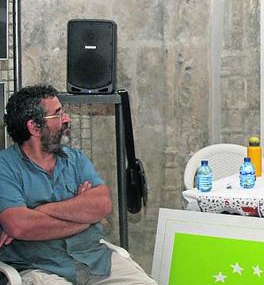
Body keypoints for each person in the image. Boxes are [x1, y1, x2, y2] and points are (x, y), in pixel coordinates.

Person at [0, 84, 156, 285]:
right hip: (39, 266)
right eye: (57, 114)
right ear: (34, 127)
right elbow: (19, 226)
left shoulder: (76, 160)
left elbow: (102, 204)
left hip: (94, 259)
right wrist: (84, 216)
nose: (66, 119)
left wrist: (39, 210)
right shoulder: (5, 167)